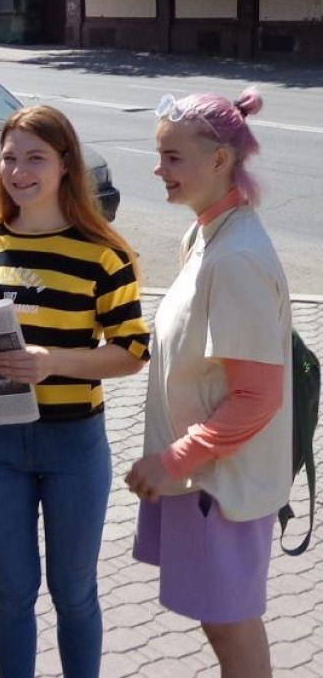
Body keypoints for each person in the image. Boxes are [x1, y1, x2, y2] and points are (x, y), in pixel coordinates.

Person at [0, 105, 150, 678]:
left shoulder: (104, 252)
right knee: (10, 591)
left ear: (64, 164)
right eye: (10, 157)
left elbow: (130, 353)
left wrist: (51, 361)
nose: (19, 170)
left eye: (35, 157)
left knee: (73, 590)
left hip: (73, 445)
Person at [125, 90, 292, 678]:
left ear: (221, 161)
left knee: (231, 624)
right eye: (159, 154)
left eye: (173, 157)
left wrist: (174, 459)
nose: (158, 169)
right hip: (208, 480)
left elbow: (257, 396)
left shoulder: (235, 257)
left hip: (219, 484)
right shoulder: (207, 235)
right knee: (220, 622)